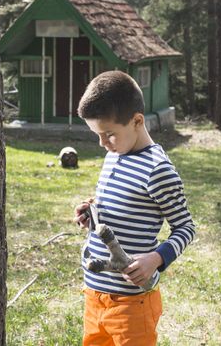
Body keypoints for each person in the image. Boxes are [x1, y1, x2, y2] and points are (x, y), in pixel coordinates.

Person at [73, 71, 196, 345]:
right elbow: (116, 203)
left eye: (109, 135)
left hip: (132, 301)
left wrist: (156, 258)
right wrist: (90, 212)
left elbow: (186, 227)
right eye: (97, 135)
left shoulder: (158, 170)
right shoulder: (114, 154)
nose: (103, 143)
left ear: (137, 121)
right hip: (95, 295)